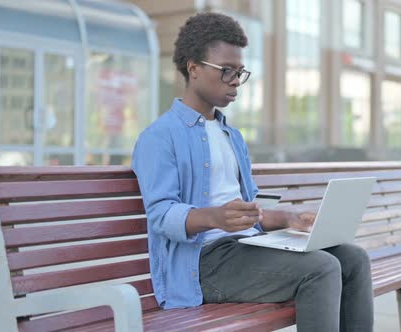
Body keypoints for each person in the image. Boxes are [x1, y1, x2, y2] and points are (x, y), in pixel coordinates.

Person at [132, 12, 373, 331]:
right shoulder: (159, 137)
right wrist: (213, 217)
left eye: (240, 72)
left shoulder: (232, 136)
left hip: (247, 250)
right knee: (321, 268)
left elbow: (249, 214)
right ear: (193, 68)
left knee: (354, 258)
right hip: (203, 265)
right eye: (226, 71)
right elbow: (161, 215)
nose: (235, 81)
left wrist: (287, 219)